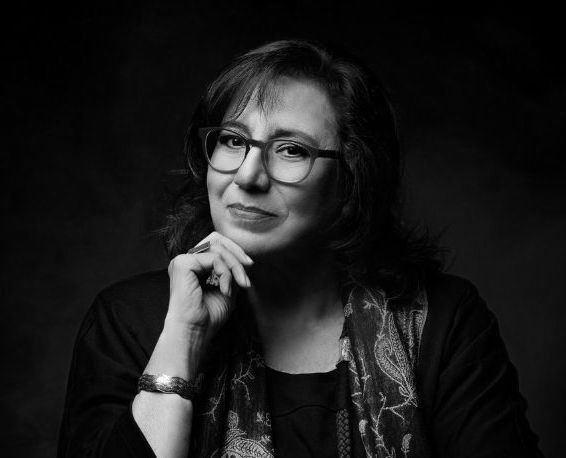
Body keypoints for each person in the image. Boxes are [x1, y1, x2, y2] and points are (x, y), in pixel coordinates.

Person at [57, 40, 543, 457]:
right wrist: (182, 340)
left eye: (292, 150)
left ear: (350, 179)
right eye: (233, 141)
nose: (248, 175)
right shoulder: (130, 319)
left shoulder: (442, 320)